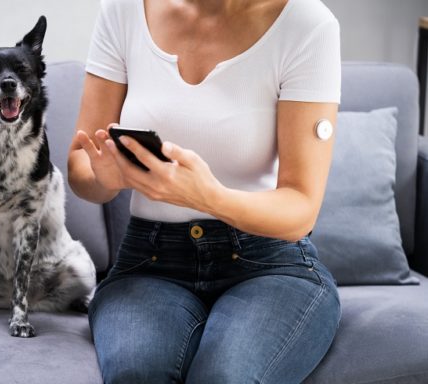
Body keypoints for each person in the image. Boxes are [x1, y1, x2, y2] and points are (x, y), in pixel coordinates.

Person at [67, 0, 341, 382]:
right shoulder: (124, 10)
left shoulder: (308, 24)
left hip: (269, 264)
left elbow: (301, 207)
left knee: (223, 377)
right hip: (150, 264)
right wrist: (108, 177)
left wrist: (206, 196)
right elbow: (81, 164)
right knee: (136, 376)